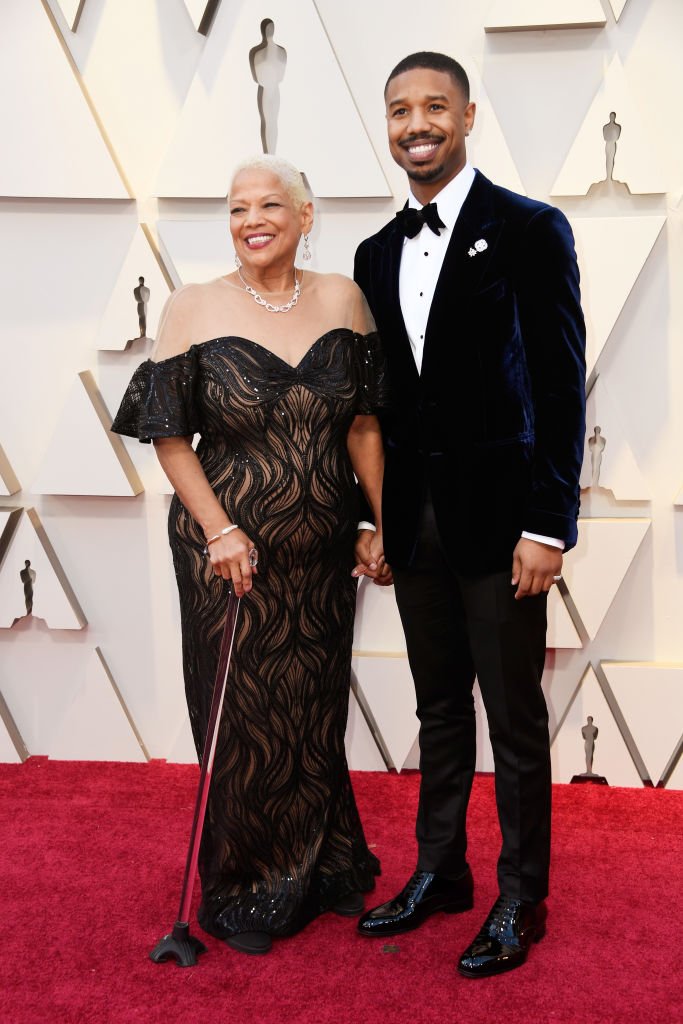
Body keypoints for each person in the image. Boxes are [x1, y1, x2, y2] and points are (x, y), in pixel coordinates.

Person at [112, 154, 385, 956]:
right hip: (226, 547)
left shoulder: (343, 297)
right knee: (241, 717)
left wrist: (379, 522)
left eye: (270, 205)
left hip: (324, 549)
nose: (251, 220)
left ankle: (323, 864)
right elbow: (167, 435)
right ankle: (245, 880)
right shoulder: (192, 306)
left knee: (313, 706)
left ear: (306, 216)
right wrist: (220, 530)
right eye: (236, 209)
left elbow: (364, 424)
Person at [353, 52, 586, 978]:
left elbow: (562, 385)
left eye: (434, 107)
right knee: (439, 710)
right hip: (413, 526)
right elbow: (374, 408)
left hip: (502, 526)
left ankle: (521, 897)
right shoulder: (375, 252)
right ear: (388, 125)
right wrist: (372, 521)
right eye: (401, 109)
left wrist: (548, 524)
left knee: (514, 716)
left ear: (467, 115)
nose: (417, 123)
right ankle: (440, 872)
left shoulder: (529, 229)